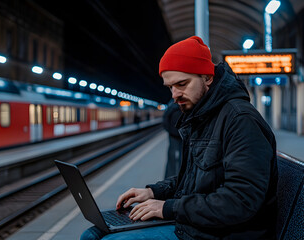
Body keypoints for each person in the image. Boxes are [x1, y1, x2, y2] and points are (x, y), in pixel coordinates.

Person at [81, 36, 278, 240]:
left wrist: (168, 208)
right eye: (170, 87)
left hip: (222, 234)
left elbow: (240, 200)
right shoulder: (203, 116)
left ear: (207, 77)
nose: (175, 95)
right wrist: (153, 192)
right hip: (198, 226)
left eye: (182, 84)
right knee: (93, 233)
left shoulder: (240, 120)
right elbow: (193, 180)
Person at [163, 99, 182, 178]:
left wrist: (170, 131)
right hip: (177, 136)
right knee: (180, 157)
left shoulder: (170, 105)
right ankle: (177, 178)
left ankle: (170, 177)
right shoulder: (185, 105)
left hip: (174, 135)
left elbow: (165, 120)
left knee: (172, 157)